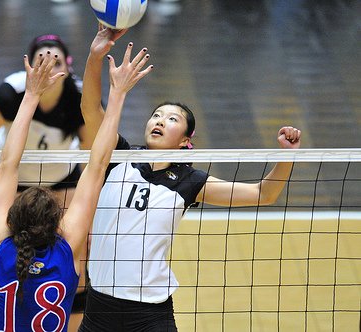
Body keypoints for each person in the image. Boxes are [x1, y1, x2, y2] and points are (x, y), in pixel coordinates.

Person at [78, 27, 302, 332]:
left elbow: (264, 194)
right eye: (157, 114)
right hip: (99, 308)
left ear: (185, 141)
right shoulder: (117, 156)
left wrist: (286, 156)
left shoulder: (189, 181)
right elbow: (91, 109)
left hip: (149, 314)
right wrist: (94, 57)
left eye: (172, 119)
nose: (160, 120)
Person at [0, 43, 153, 331]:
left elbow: (8, 164)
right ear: (58, 221)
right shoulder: (67, 250)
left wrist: (31, 94)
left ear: (11, 220)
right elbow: (97, 165)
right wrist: (118, 95)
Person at [0, 34, 99, 330]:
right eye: (41, 60)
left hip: (61, 182)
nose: (49, 66)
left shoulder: (78, 99)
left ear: (68, 66)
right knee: (1, 263)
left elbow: (92, 156)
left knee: (76, 258)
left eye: (56, 60)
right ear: (29, 68)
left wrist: (90, 214)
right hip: (13, 186)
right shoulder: (10, 94)